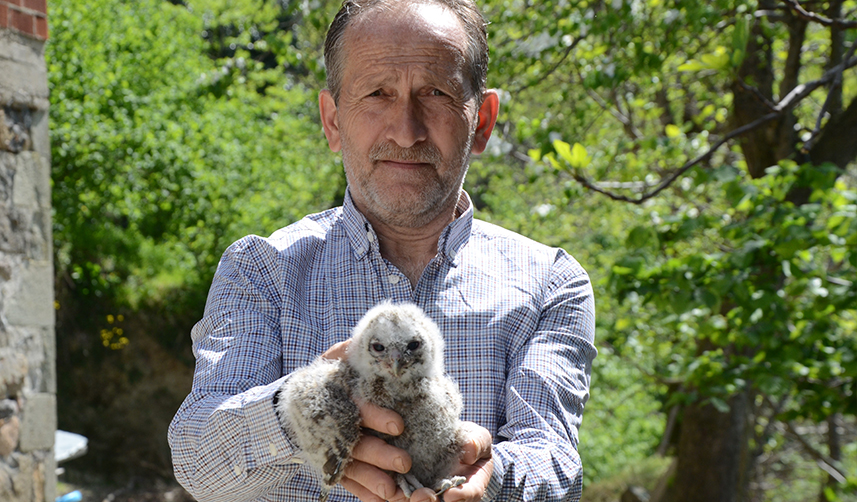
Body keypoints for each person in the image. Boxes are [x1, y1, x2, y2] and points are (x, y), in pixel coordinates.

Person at [168, 0, 597, 501]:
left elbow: (556, 462)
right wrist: (300, 411)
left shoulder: (550, 283)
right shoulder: (262, 270)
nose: (405, 130)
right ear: (332, 121)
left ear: (481, 121)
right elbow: (195, 460)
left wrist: (493, 477)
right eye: (377, 94)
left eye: (435, 93)